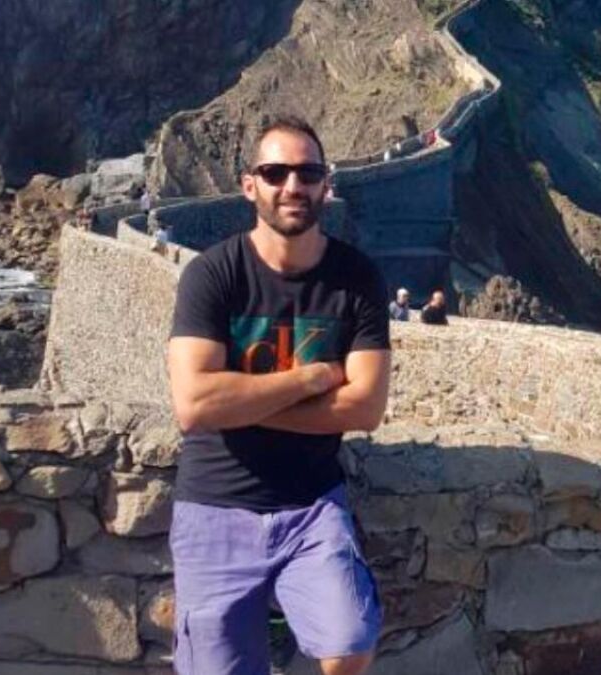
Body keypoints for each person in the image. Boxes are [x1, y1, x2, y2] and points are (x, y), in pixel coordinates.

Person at [166, 115, 389, 675]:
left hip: (311, 506)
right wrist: (310, 379)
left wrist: (240, 404)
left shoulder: (356, 279)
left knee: (349, 642)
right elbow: (194, 405)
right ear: (250, 185)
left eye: (308, 173)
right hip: (215, 503)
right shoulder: (212, 275)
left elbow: (365, 408)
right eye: (275, 173)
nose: (293, 186)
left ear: (326, 185)